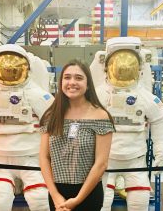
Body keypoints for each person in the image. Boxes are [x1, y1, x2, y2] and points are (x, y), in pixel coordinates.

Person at [0, 44, 54, 211]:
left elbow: (54, 128)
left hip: (33, 159)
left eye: (15, 67)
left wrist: (53, 160)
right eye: (5, 67)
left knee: (40, 199)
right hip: (1, 160)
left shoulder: (38, 95)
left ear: (27, 68)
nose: (10, 71)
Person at [92, 37, 163, 211]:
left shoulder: (146, 98)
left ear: (139, 67)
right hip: (105, 161)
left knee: (139, 203)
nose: (123, 67)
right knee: (102, 203)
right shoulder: (98, 95)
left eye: (129, 63)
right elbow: (85, 123)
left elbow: (159, 122)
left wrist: (161, 154)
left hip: (135, 161)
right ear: (106, 67)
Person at [39, 59, 115, 211]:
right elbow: (44, 157)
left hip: (88, 193)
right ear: (61, 83)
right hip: (57, 193)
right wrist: (55, 196)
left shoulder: (100, 116)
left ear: (88, 85)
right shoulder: (51, 115)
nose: (72, 82)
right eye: (67, 77)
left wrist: (78, 199)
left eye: (78, 78)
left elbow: (101, 163)